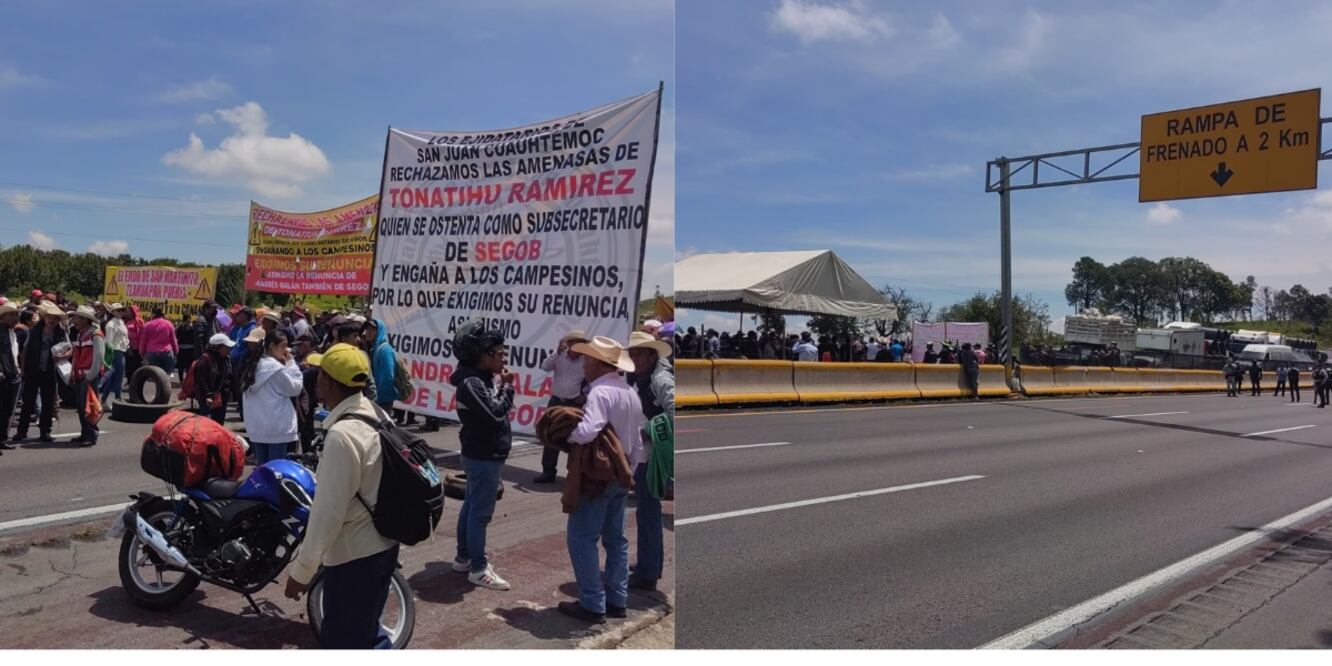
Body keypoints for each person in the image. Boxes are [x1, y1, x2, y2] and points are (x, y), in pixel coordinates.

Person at [284, 342, 398, 650]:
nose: (316, 377)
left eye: (320, 372)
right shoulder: (376, 413)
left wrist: (302, 571)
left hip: (355, 556)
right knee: (367, 632)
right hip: (384, 542)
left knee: (343, 641)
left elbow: (327, 513)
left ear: (328, 382)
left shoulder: (342, 437)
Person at [559, 337, 641, 624]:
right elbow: (637, 439)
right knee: (616, 540)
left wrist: (568, 437)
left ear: (598, 363)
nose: (584, 364)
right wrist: (629, 468)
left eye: (588, 359)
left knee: (582, 538)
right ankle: (618, 598)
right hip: (622, 473)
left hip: (598, 475)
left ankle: (593, 603)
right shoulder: (630, 392)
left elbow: (588, 430)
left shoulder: (600, 393)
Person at [449, 322, 515, 590]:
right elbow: (495, 414)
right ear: (484, 355)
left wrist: (499, 386)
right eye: (499, 352)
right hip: (483, 454)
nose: (503, 358)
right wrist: (508, 389)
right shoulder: (472, 383)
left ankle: (464, 557)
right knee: (480, 514)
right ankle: (478, 568)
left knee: (472, 506)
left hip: (483, 453)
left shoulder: (480, 380)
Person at [626, 331, 672, 592]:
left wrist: (650, 432)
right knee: (647, 512)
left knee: (648, 514)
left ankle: (647, 573)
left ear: (652, 355)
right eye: (632, 354)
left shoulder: (660, 379)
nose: (635, 358)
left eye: (641, 354)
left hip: (652, 457)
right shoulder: (641, 378)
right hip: (643, 456)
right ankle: (650, 565)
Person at [240, 329, 303, 464]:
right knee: (276, 470)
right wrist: (291, 364)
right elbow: (295, 388)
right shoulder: (274, 367)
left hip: (258, 426)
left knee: (263, 469)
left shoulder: (255, 363)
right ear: (272, 346)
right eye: (283, 346)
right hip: (276, 426)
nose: (286, 350)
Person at [535, 330, 588, 484]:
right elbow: (544, 366)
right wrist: (557, 352)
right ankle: (548, 471)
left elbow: (592, 381)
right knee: (550, 436)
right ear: (568, 344)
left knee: (574, 438)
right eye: (574, 342)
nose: (577, 346)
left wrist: (585, 396)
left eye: (580, 343)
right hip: (557, 401)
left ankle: (573, 474)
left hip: (574, 403)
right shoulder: (559, 356)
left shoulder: (586, 360)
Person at [16, 302, 70, 443]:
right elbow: (25, 351)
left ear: (58, 320)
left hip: (50, 371)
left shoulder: (61, 332)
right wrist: (23, 369)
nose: (51, 320)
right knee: (27, 402)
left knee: (48, 403)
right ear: (44, 317)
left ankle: (45, 431)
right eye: (49, 317)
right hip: (33, 370)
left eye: (55, 318)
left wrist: (63, 356)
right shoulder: (34, 331)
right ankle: (22, 431)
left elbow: (70, 349)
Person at [68, 306, 105, 446]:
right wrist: (73, 373)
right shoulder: (80, 334)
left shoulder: (96, 334)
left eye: (77, 318)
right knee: (81, 407)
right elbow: (77, 357)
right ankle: (85, 433)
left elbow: (98, 358)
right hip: (80, 376)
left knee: (89, 407)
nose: (74, 320)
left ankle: (91, 435)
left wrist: (89, 377)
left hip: (89, 377)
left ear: (85, 319)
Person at [193, 333, 235, 424]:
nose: (229, 350)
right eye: (226, 347)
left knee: (219, 425)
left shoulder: (226, 359)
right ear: (218, 347)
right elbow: (201, 380)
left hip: (222, 399)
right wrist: (207, 396)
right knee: (207, 426)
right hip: (209, 400)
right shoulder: (205, 360)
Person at [99, 303, 130, 404]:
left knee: (114, 377)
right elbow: (109, 342)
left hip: (122, 350)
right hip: (116, 352)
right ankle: (118, 398)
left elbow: (124, 338)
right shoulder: (111, 325)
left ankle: (104, 400)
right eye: (118, 310)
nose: (120, 312)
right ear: (112, 312)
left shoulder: (121, 322)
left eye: (121, 310)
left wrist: (127, 347)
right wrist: (108, 359)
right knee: (118, 376)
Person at [229, 307, 257, 418]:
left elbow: (249, 348)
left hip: (244, 364)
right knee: (238, 389)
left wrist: (239, 356)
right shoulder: (240, 328)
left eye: (240, 314)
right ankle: (242, 412)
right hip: (236, 363)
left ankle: (245, 415)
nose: (238, 316)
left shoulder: (252, 329)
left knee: (243, 390)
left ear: (246, 316)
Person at [0, 302, 20, 450]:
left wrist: (17, 367)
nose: (15, 318)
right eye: (12, 315)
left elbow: (12, 353)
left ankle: (2, 439)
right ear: (3, 316)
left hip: (12, 375)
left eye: (16, 315)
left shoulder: (12, 332)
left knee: (7, 410)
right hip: (2, 376)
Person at [139, 308, 179, 377]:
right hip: (166, 352)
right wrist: (176, 351)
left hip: (152, 353)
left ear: (153, 314)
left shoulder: (148, 325)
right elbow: (173, 340)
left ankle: (158, 387)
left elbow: (143, 341)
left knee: (156, 376)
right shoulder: (168, 324)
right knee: (167, 375)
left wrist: (142, 353)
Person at [123, 304, 145, 382]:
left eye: (128, 311)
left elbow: (141, 335)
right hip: (128, 347)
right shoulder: (127, 321)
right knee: (128, 366)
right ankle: (129, 381)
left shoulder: (138, 321)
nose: (127, 313)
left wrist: (141, 349)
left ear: (133, 312)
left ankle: (135, 382)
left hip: (136, 348)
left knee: (135, 366)